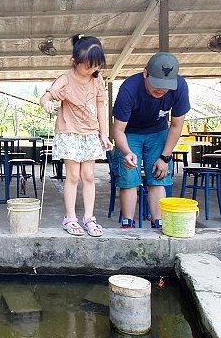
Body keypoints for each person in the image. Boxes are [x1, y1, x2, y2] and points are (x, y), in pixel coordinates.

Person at [40, 35, 111, 237]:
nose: (92, 71)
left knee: (88, 176)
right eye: (88, 66)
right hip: (69, 132)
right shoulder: (66, 78)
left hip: (90, 134)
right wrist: (47, 103)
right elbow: (46, 96)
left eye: (96, 66)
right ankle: (70, 218)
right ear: (74, 62)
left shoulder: (97, 80)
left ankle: (89, 218)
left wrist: (103, 134)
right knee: (73, 176)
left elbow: (100, 106)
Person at [111, 51, 190, 229]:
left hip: (158, 132)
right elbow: (118, 129)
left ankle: (158, 224)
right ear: (145, 73)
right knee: (129, 177)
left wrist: (165, 157)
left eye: (166, 86)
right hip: (130, 133)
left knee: (158, 176)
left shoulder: (180, 88)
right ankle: (127, 224)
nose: (161, 90)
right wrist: (126, 152)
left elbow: (176, 126)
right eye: (157, 84)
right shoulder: (129, 89)